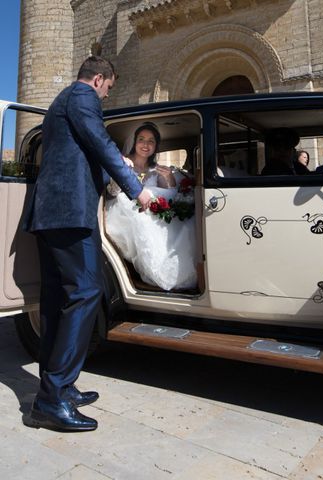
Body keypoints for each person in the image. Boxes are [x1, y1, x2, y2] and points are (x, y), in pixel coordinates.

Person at [22, 56, 153, 432]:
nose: (106, 94)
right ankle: (51, 400)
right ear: (99, 79)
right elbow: (99, 143)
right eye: (108, 88)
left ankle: (58, 384)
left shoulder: (61, 102)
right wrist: (136, 189)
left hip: (52, 215)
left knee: (57, 299)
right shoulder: (82, 99)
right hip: (70, 213)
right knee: (85, 292)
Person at [105, 123, 198, 291]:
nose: (145, 145)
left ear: (155, 146)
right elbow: (112, 192)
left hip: (152, 210)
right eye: (141, 140)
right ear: (134, 142)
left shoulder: (155, 168)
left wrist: (169, 177)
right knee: (143, 223)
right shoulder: (122, 163)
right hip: (127, 211)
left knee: (184, 223)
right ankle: (156, 274)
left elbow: (168, 193)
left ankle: (180, 272)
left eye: (151, 141)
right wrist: (122, 172)